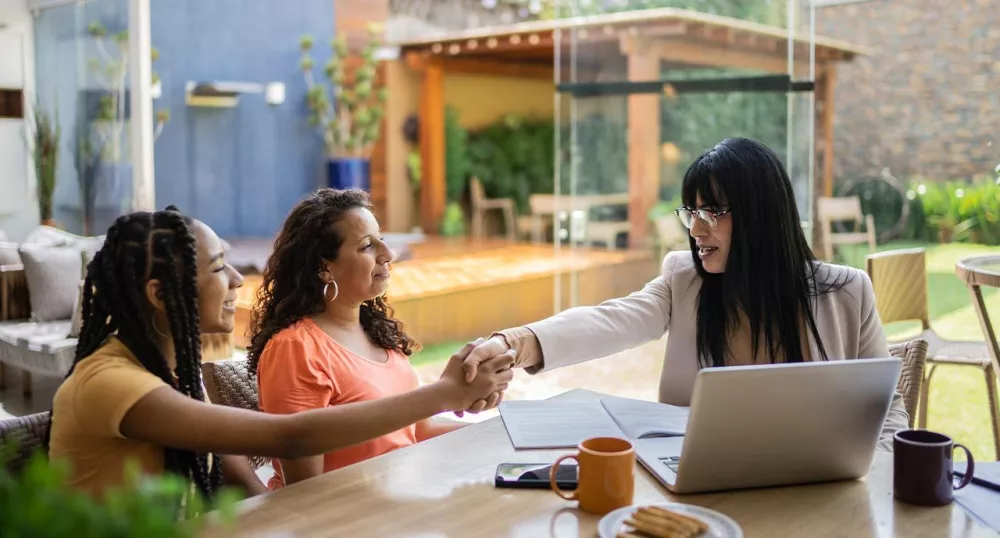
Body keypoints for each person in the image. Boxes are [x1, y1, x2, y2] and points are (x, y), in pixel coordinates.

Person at [461, 138, 908, 451]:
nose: (696, 229)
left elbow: (886, 412)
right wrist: (512, 343)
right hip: (697, 478)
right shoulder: (684, 278)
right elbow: (610, 320)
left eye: (713, 211)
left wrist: (878, 477)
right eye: (692, 211)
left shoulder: (847, 293)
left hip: (813, 488)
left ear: (762, 215)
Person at [46, 207, 513, 502]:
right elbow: (290, 439)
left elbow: (241, 483)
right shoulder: (111, 382)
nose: (234, 278)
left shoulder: (172, 378)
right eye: (216, 268)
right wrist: (443, 393)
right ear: (159, 294)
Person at [245, 188, 499, 489]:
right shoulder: (295, 348)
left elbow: (415, 431)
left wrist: (495, 434)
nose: (388, 255)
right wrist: (444, 394)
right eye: (367, 246)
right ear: (325, 268)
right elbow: (304, 485)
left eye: (383, 240)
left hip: (401, 499)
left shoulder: (377, 335)